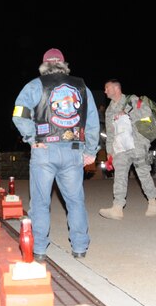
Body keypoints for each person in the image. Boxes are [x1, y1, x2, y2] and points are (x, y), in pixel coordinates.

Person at [12, 48, 96, 259]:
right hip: (73, 150)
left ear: (44, 65)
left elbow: (19, 114)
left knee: (40, 202)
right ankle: (79, 247)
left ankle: (38, 249)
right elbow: (92, 121)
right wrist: (91, 150)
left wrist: (31, 138)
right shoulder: (81, 86)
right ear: (63, 64)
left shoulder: (35, 85)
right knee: (75, 201)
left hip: (44, 151)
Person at [99, 79, 156, 220]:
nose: (105, 91)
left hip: (137, 144)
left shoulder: (132, 100)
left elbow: (147, 113)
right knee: (119, 176)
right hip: (120, 148)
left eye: (107, 88)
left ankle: (152, 201)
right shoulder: (109, 110)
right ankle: (117, 208)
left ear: (116, 88)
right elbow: (110, 132)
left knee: (143, 174)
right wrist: (109, 152)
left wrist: (126, 112)